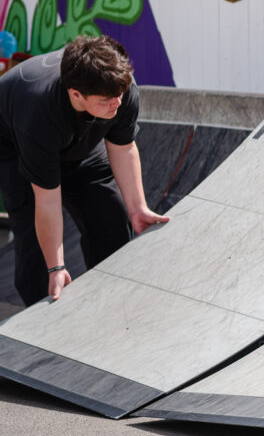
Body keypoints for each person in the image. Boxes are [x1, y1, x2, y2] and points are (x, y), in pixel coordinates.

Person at [0, 35, 169, 305]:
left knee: (111, 217)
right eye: (106, 100)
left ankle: (111, 300)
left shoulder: (118, 86)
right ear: (76, 93)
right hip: (16, 145)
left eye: (119, 96)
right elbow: (47, 199)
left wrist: (138, 208)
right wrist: (56, 267)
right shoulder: (39, 111)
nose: (116, 104)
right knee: (34, 237)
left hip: (81, 141)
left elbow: (123, 148)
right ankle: (41, 313)